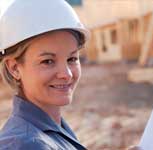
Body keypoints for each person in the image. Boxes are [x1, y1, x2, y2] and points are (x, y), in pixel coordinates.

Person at [0, 0, 89, 149]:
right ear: (14, 68)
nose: (66, 74)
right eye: (48, 61)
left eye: (72, 59)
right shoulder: (26, 144)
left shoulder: (51, 127)